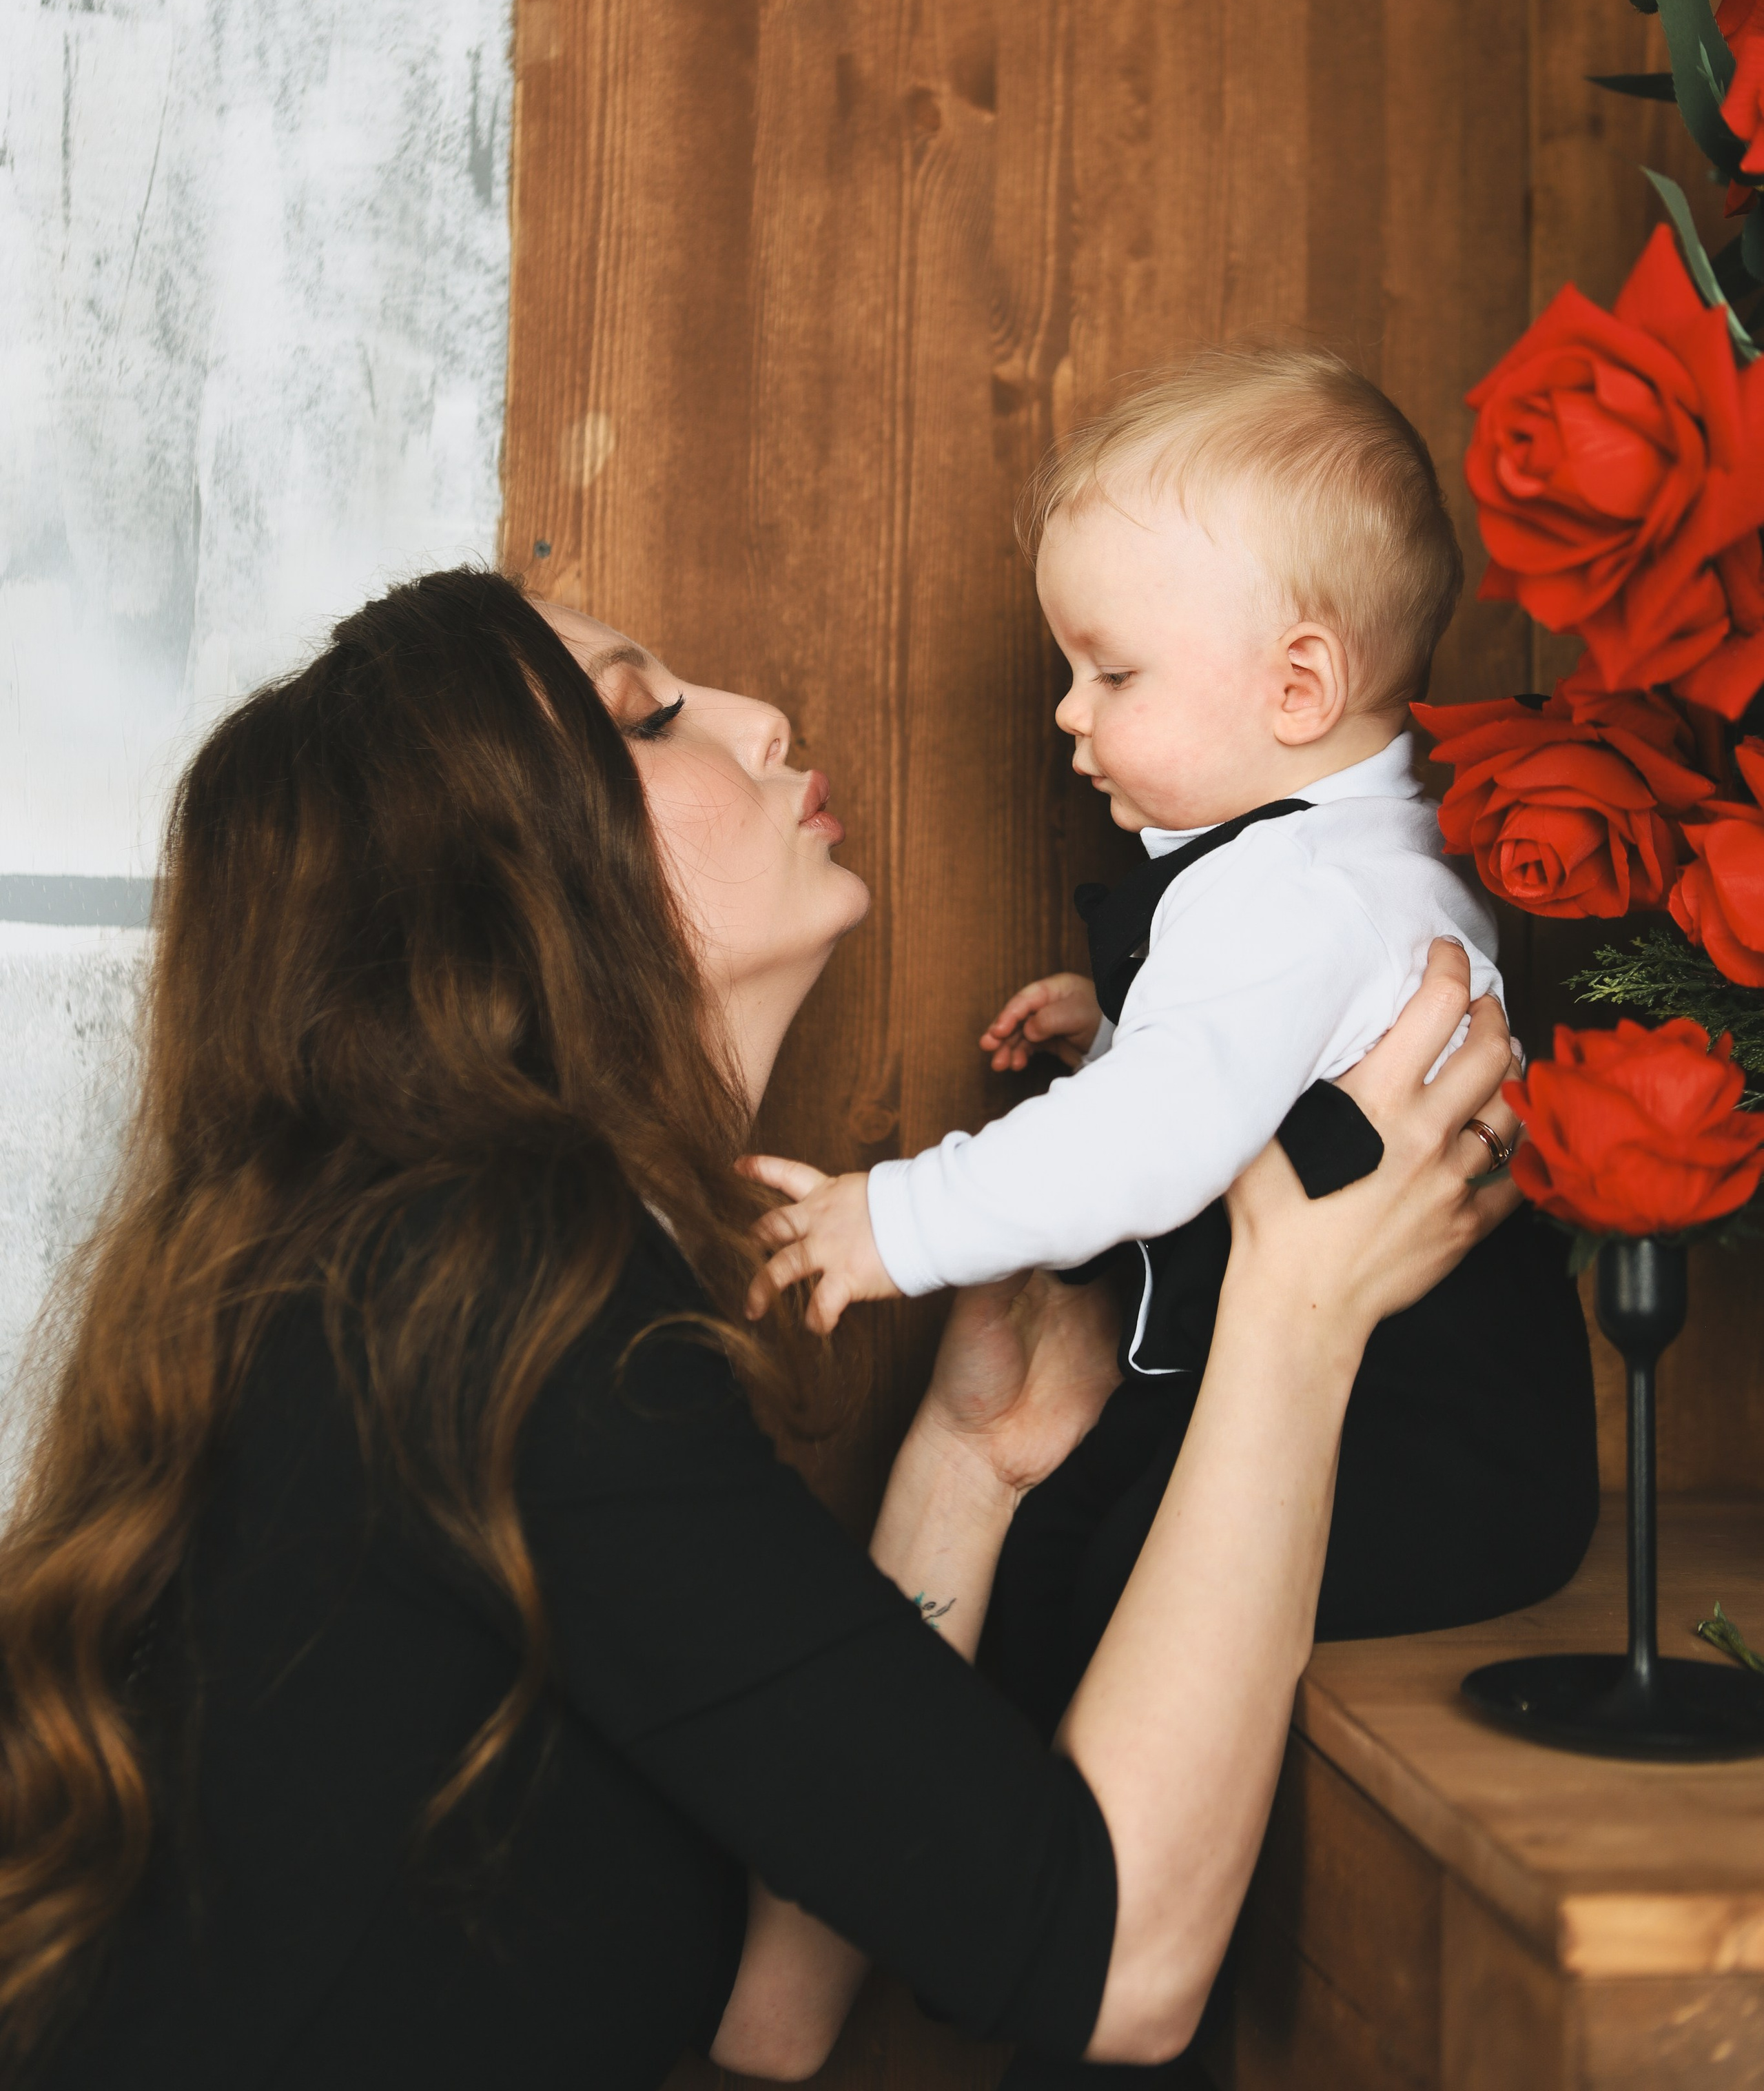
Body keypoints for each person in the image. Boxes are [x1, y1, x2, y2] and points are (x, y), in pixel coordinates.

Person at [0, 568, 1520, 2090]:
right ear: (511, 901)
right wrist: (1299, 1310)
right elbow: (1120, 1965)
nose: (753, 717)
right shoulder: (489, 1311)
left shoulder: (477, 1282)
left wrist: (965, 1464)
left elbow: (763, 2017)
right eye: (650, 719)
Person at [752, 355, 1598, 1701]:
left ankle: (1056, 1880)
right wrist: (1128, 1027)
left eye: (1111, 672)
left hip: (1424, 1450)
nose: (1066, 712)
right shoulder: (1333, 866)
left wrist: (895, 1222)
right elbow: (1261, 1071)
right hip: (1394, 1423)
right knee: (1061, 1562)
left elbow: (1158, 1142)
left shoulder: (1301, 895)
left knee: (1106, 1598)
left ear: (1297, 687)